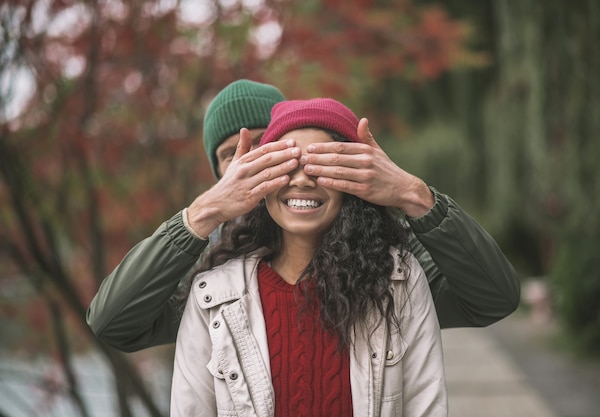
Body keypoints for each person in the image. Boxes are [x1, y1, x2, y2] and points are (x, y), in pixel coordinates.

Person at [86, 79, 519, 352]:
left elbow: (492, 298)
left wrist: (414, 196)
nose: (258, 162)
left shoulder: (380, 259)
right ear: (218, 171)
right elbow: (113, 323)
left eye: (271, 146)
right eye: (232, 153)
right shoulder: (210, 274)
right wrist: (202, 213)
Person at [171, 98, 447, 417]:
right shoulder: (213, 297)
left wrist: (413, 193)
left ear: (354, 181)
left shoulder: (400, 281)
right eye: (286, 164)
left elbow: (427, 406)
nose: (302, 179)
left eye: (321, 164)